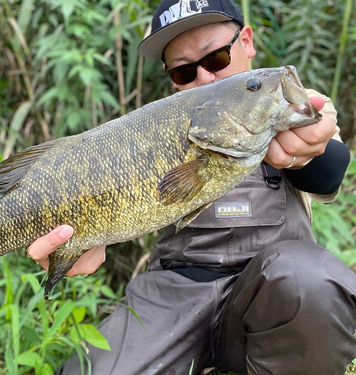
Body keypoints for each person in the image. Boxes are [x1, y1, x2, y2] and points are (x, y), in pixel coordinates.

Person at [28, 1, 356, 374]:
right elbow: (113, 199)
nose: (204, 77)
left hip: (269, 295)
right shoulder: (152, 130)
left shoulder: (280, 99)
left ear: (246, 41)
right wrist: (85, 238)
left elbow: (329, 171)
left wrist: (305, 149)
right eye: (184, 70)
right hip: (175, 294)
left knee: (308, 279)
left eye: (216, 57)